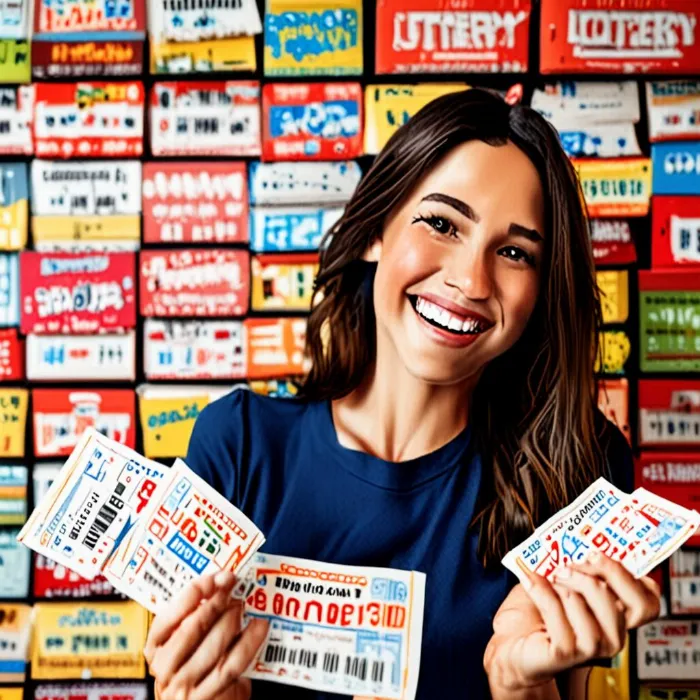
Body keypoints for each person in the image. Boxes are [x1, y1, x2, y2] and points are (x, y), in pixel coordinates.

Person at [143, 88, 661, 700]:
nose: (470, 280)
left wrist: (520, 687)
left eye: (515, 252)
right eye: (441, 223)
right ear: (374, 233)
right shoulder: (239, 444)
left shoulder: (577, 468)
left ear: (541, 293)